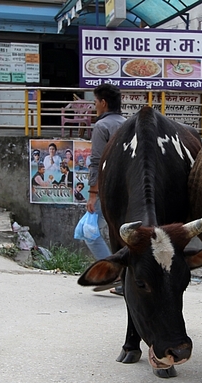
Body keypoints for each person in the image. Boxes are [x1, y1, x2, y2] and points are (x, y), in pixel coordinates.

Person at [82, 84, 126, 296]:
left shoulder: (102, 127)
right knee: (122, 234)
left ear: (103, 103)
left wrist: (92, 193)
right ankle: (122, 279)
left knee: (90, 233)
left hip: (106, 190)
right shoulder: (127, 124)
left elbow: (97, 161)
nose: (94, 106)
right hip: (127, 190)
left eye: (95, 102)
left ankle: (112, 272)